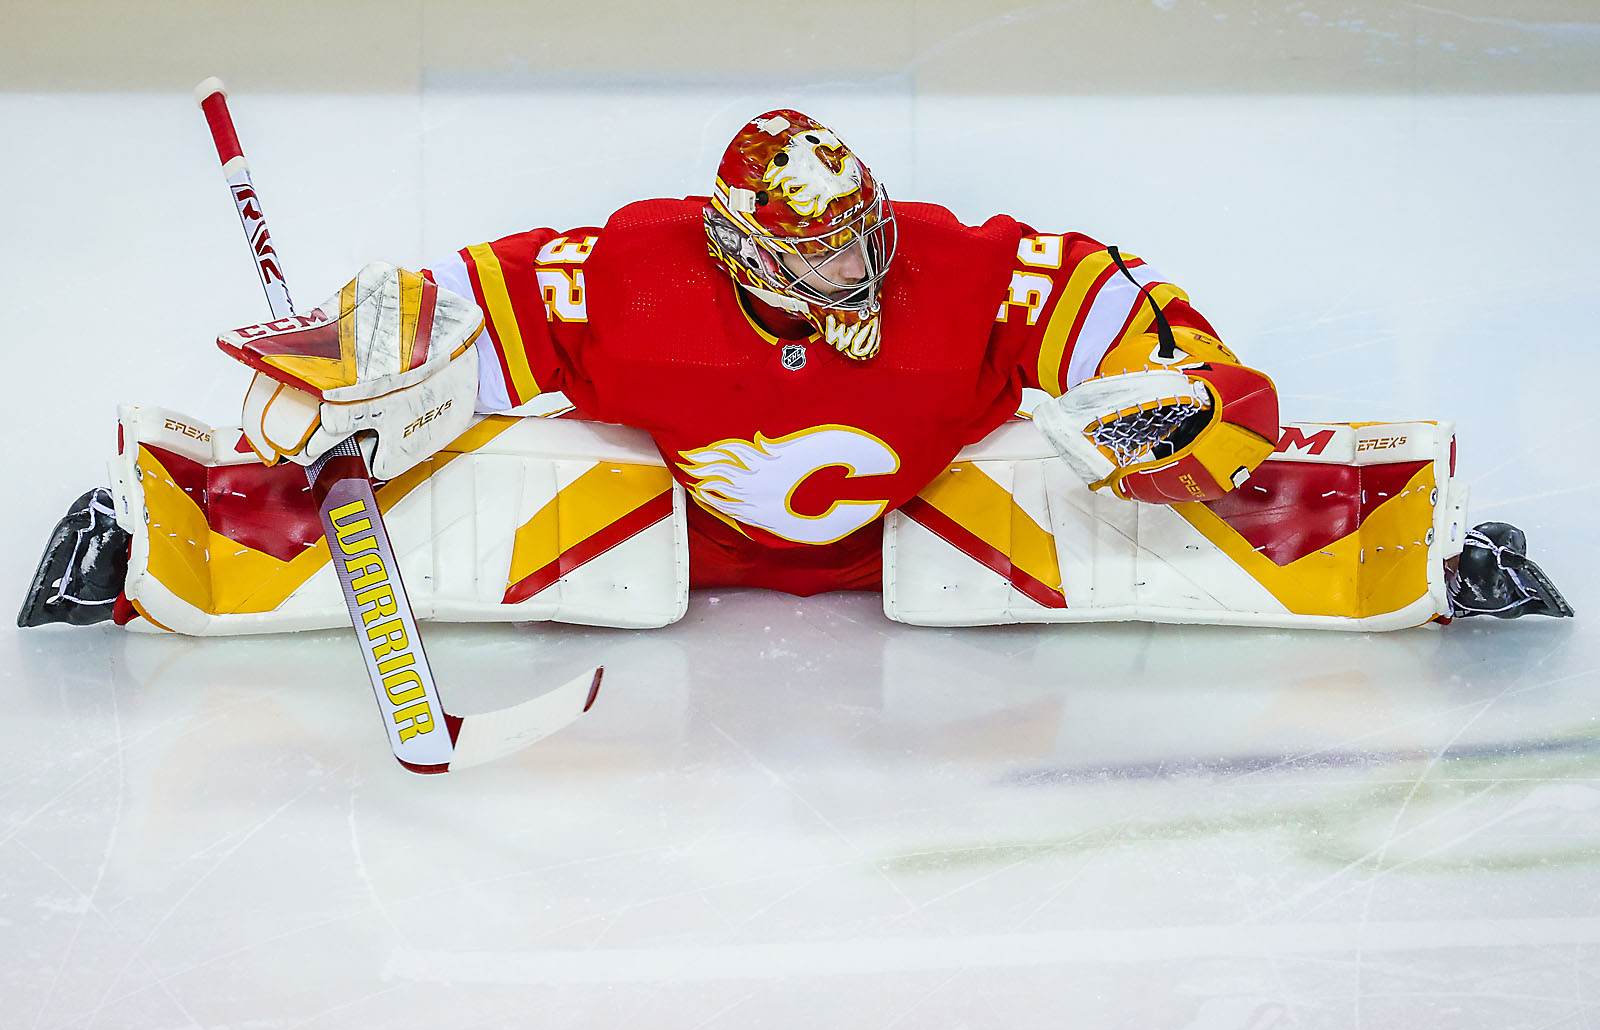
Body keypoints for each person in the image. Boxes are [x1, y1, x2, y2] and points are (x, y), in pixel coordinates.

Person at [18, 109, 1571, 632]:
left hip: (913, 512)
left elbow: (1123, 317)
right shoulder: (633, 274)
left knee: (1063, 522)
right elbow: (459, 310)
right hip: (689, 542)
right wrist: (350, 369)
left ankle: (1417, 545)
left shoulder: (960, 271)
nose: (863, 271)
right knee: (496, 505)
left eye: (866, 234)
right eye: (822, 254)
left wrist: (1175, 401)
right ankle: (156, 546)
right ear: (744, 251)